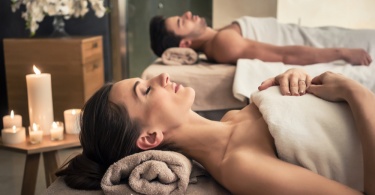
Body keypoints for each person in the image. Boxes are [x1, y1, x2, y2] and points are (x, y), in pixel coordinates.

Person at [56, 67, 375, 194]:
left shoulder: (233, 118)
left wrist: (298, 80)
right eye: (147, 91)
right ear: (150, 138)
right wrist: (354, 91)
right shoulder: (238, 164)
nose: (162, 77)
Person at [149, 11, 373, 66]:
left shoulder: (219, 35)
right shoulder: (222, 44)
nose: (188, 14)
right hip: (332, 46)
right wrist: (342, 53)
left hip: (322, 36)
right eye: (182, 22)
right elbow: (283, 54)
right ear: (185, 44)